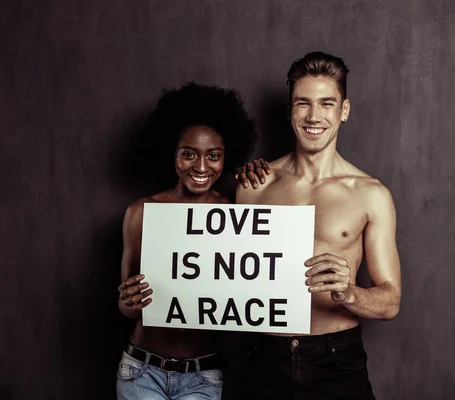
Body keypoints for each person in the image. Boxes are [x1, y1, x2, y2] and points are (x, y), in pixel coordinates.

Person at [235, 51, 402, 399]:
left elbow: (390, 301)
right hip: (263, 359)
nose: (314, 116)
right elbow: (233, 278)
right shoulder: (255, 185)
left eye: (326, 103)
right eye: (302, 103)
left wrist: (350, 292)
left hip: (336, 361)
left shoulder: (371, 195)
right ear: (290, 111)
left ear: (344, 111)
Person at [116, 82, 268, 399]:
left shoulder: (235, 213)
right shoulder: (142, 213)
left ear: (227, 157)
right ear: (172, 152)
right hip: (141, 372)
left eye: (214, 156)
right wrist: (128, 301)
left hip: (203, 376)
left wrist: (258, 183)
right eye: (189, 154)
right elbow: (127, 307)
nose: (201, 167)